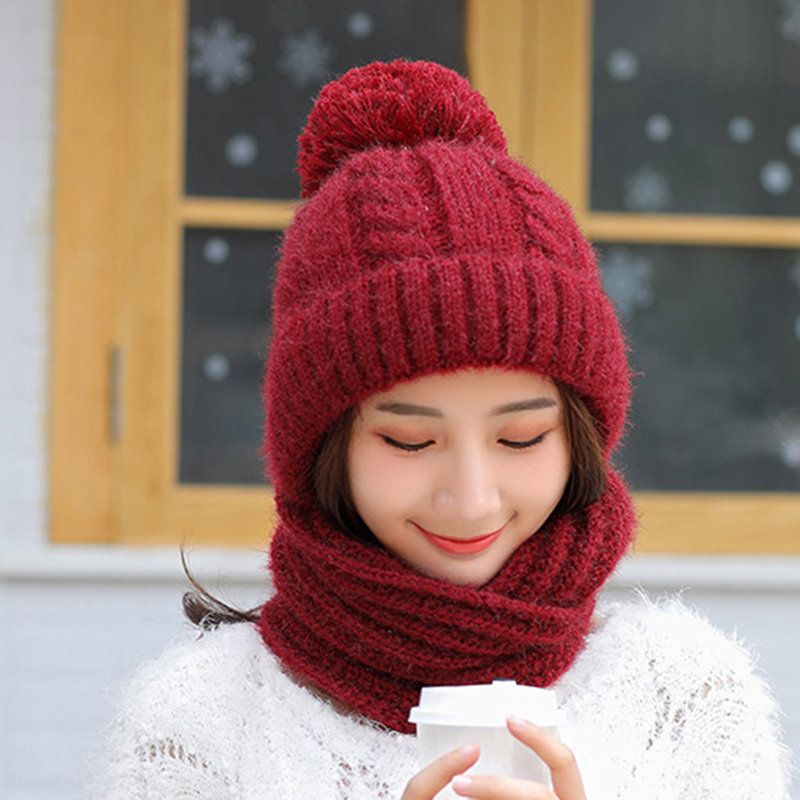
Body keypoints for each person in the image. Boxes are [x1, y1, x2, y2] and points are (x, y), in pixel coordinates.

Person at [92, 60, 792, 799]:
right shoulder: (203, 721)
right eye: (409, 442)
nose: (472, 499)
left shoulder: (683, 698)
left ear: (581, 437)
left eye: (521, 439)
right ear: (325, 447)